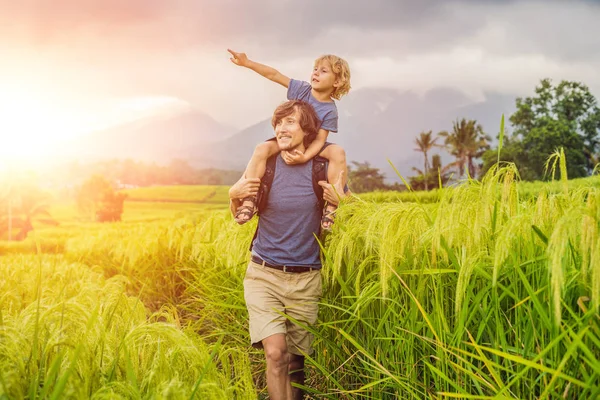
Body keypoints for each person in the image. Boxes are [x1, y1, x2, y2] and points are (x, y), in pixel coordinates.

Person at [229, 100, 347, 400]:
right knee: (276, 354)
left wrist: (343, 201)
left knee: (295, 363)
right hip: (263, 274)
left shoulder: (322, 165)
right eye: (279, 122)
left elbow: (352, 213)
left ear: (307, 129)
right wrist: (233, 195)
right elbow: (240, 209)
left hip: (307, 278)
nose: (282, 127)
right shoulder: (266, 163)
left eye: (290, 122)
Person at [228, 49, 351, 230]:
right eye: (315, 69)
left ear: (338, 81)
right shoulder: (302, 90)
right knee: (262, 149)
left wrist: (305, 157)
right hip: (289, 139)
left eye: (323, 71)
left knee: (337, 152)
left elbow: (319, 140)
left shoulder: (330, 110)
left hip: (311, 144)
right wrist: (248, 63)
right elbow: (274, 75)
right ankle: (250, 199)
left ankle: (331, 205)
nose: (316, 72)